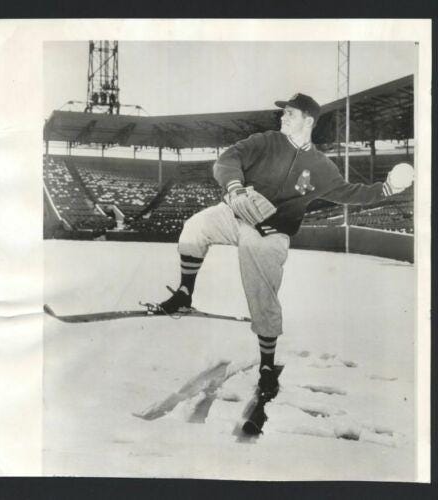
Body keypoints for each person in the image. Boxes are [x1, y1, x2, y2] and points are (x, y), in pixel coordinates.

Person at [156, 93, 409, 398]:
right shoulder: (266, 141)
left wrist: (387, 189)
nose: (283, 117)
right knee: (195, 227)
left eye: (290, 113)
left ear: (308, 121)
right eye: (283, 113)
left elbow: (350, 192)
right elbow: (227, 160)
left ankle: (266, 366)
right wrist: (235, 187)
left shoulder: (320, 166)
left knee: (261, 290)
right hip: (236, 212)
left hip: (271, 232)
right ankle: (184, 293)